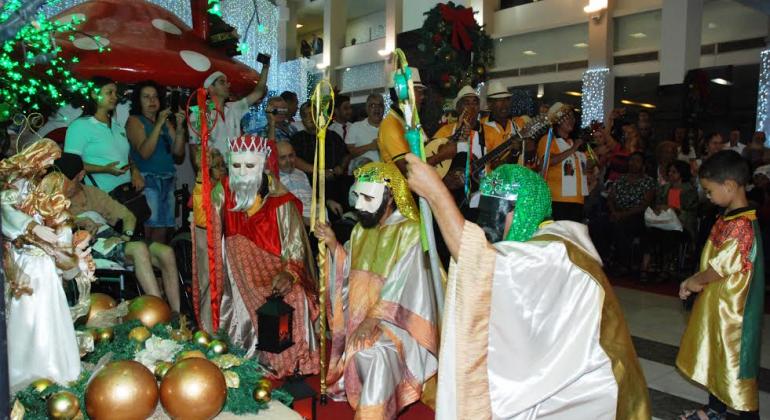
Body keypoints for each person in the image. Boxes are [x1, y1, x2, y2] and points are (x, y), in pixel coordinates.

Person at [403, 155, 650, 420]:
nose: (485, 226)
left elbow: (482, 262)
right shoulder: (541, 239)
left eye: (494, 213)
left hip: (595, 390)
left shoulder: (552, 251)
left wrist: (436, 194)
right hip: (564, 369)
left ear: (522, 209)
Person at [315, 162, 439, 419]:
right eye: (357, 196)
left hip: (398, 323)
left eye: (368, 197)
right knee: (362, 347)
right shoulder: (360, 229)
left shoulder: (411, 231)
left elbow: (406, 286)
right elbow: (348, 272)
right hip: (361, 318)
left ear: (390, 197)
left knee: (374, 353)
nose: (359, 205)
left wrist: (373, 319)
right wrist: (333, 245)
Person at [200, 135, 319, 378]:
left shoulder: (280, 200)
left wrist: (289, 273)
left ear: (263, 166)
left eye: (249, 166)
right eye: (236, 166)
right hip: (240, 274)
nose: (242, 173)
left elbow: (294, 247)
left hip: (277, 270)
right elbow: (208, 235)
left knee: (294, 295)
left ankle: (293, 362)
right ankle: (259, 355)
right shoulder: (222, 192)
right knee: (249, 298)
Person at [677, 151, 764, 420]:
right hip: (720, 304)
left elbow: (720, 267)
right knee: (717, 354)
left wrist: (693, 282)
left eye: (709, 191)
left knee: (735, 365)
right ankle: (715, 410)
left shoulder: (742, 225)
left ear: (729, 186)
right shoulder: (728, 216)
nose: (708, 197)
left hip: (735, 314)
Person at [0, 139, 86, 388]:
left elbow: (56, 217)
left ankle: (57, 367)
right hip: (26, 259)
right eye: (49, 160)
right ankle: (25, 369)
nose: (51, 165)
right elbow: (7, 213)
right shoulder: (14, 185)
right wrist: (33, 227)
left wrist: (60, 238)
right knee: (27, 315)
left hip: (45, 262)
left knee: (51, 314)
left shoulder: (45, 185)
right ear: (36, 156)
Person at [55, 153, 182, 312]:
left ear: (80, 176)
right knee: (138, 249)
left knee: (167, 252)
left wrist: (125, 235)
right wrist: (77, 221)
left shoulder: (93, 193)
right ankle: (159, 313)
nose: (63, 186)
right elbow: (51, 223)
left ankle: (177, 314)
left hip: (110, 239)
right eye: (60, 180)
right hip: (85, 247)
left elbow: (127, 215)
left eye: (68, 181)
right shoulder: (53, 198)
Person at [126, 80, 186, 244]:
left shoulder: (165, 122)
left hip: (168, 179)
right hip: (148, 180)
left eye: (155, 97)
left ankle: (156, 267)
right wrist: (158, 124)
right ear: (138, 100)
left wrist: (180, 128)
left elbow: (178, 152)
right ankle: (144, 265)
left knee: (163, 228)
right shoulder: (134, 121)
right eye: (146, 97)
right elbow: (144, 152)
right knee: (148, 227)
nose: (152, 101)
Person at [64, 76, 141, 195]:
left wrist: (135, 171)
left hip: (126, 193)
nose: (115, 97)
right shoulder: (79, 126)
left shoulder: (117, 126)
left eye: (115, 93)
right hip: (99, 197)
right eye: (109, 92)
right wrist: (104, 169)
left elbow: (126, 156)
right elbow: (70, 165)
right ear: (94, 94)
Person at [189, 61, 270, 157]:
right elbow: (194, 148)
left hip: (236, 167)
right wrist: (203, 171)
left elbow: (258, 92)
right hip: (215, 169)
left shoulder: (234, 108)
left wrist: (265, 68)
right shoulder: (199, 113)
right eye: (222, 82)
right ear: (210, 88)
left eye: (227, 82)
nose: (228, 85)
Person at [640, 159, 698, 281]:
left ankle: (665, 268)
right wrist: (659, 209)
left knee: (669, 235)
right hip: (664, 223)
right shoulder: (664, 188)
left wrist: (673, 209)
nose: (670, 174)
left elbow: (691, 209)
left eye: (674, 172)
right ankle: (645, 266)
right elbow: (658, 204)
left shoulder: (689, 190)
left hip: (681, 225)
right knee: (650, 232)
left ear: (681, 174)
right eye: (670, 172)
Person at [290, 101, 350, 217]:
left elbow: (346, 154)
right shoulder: (297, 139)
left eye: (313, 113)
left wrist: (341, 167)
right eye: (306, 115)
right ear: (302, 120)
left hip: (337, 184)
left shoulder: (332, 136)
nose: (310, 118)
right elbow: (294, 160)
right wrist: (319, 171)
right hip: (312, 187)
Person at [537, 102, 587, 222]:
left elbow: (585, 167)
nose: (572, 120)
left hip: (578, 200)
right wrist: (573, 149)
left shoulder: (573, 142)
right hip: (557, 200)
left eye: (573, 117)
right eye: (567, 117)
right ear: (558, 121)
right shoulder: (548, 140)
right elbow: (546, 162)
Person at [607, 152, 656, 275]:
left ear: (643, 165)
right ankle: (602, 259)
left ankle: (623, 263)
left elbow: (644, 204)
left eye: (637, 161)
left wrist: (623, 214)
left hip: (637, 215)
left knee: (623, 226)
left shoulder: (648, 181)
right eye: (631, 160)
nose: (633, 163)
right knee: (599, 224)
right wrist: (614, 211)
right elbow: (610, 198)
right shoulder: (620, 179)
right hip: (617, 212)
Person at [377, 67, 429, 175]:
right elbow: (407, 169)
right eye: (418, 91)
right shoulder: (391, 124)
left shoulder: (409, 120)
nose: (422, 96)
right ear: (403, 93)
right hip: (402, 191)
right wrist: (441, 156)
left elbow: (425, 151)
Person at [345, 93, 384, 174]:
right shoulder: (355, 127)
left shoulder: (390, 127)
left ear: (383, 108)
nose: (377, 109)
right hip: (363, 178)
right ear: (367, 109)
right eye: (373, 105)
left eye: (380, 105)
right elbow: (349, 154)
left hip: (388, 176)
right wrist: (370, 146)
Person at [276, 141, 312, 224]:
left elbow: (311, 199)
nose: (288, 160)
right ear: (275, 158)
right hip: (292, 223)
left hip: (313, 219)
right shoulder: (273, 178)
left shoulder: (301, 174)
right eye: (283, 157)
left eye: (291, 156)